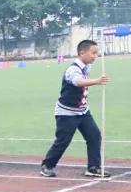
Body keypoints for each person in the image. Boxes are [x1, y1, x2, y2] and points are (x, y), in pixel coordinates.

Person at [40, 40, 110, 178]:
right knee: (63, 140)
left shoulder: (86, 66)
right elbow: (77, 82)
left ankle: (93, 167)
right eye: (93, 53)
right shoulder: (73, 69)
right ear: (82, 52)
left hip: (83, 111)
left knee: (94, 136)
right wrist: (97, 81)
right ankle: (47, 165)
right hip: (67, 112)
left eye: (96, 53)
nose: (95, 56)